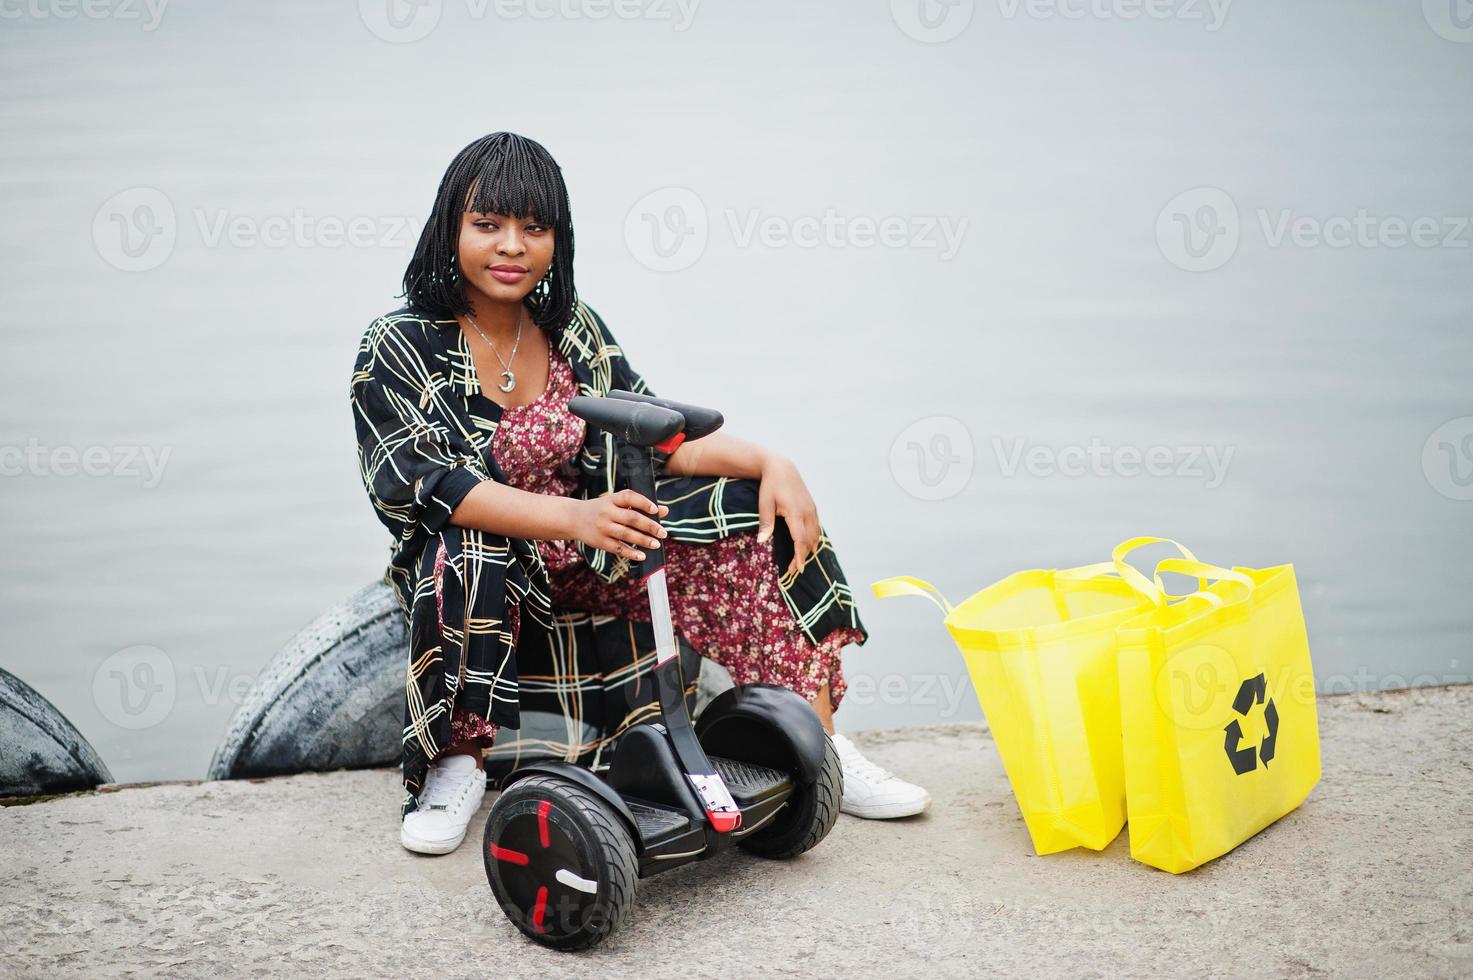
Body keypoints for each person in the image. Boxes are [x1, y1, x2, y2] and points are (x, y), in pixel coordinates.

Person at [350, 132, 930, 856]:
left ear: (557, 240)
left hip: (592, 554)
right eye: (488, 224)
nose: (511, 247)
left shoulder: (570, 328)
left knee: (751, 512)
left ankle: (820, 741)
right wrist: (576, 517)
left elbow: (651, 432)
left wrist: (768, 461)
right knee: (473, 544)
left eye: (534, 228)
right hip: (479, 576)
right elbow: (424, 484)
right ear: (451, 227)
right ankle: (453, 765)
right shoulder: (399, 342)